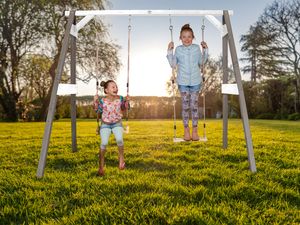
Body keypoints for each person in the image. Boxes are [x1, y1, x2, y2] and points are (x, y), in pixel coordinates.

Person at [167, 24, 208, 141]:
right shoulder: (178, 49)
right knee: (185, 107)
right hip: (183, 82)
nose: (186, 39)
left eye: (189, 36)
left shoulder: (196, 48)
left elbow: (202, 62)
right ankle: (186, 131)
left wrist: (205, 49)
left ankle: (195, 131)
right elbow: (173, 64)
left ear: (193, 37)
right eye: (184, 36)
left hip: (195, 81)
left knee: (194, 107)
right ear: (180, 38)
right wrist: (169, 51)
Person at [93, 80, 130, 176]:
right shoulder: (102, 101)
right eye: (113, 87)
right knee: (104, 143)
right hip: (105, 124)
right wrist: (95, 101)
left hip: (117, 123)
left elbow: (125, 108)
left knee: (119, 140)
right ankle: (101, 167)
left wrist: (127, 102)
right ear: (106, 90)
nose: (116, 89)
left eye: (116, 87)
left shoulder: (120, 98)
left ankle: (121, 160)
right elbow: (97, 110)